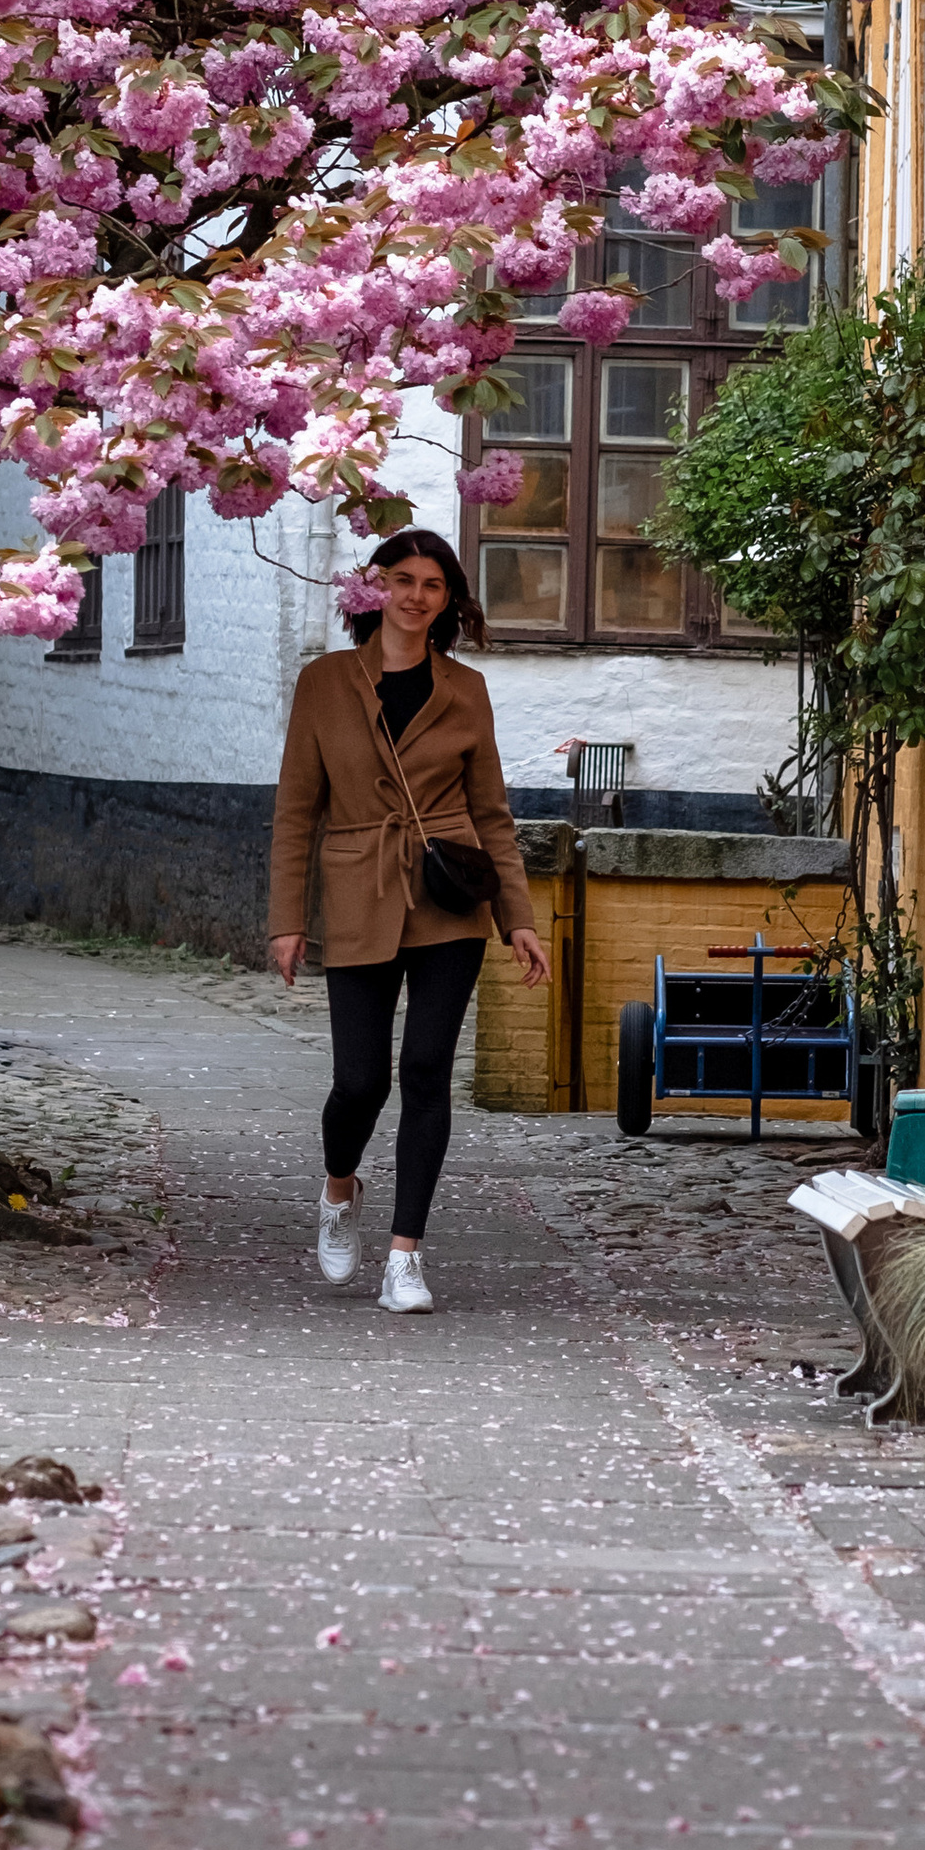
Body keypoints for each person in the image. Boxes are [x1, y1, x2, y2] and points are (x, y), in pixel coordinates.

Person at [266, 528, 550, 1313]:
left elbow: (493, 815)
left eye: (432, 585)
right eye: (401, 580)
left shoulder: (466, 689)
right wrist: (287, 918)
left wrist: (515, 918)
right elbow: (296, 811)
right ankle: (337, 1188)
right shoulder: (323, 683)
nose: (416, 597)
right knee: (359, 1081)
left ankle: (405, 1258)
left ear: (447, 600)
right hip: (357, 889)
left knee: (426, 1073)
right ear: (374, 589)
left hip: (448, 899)